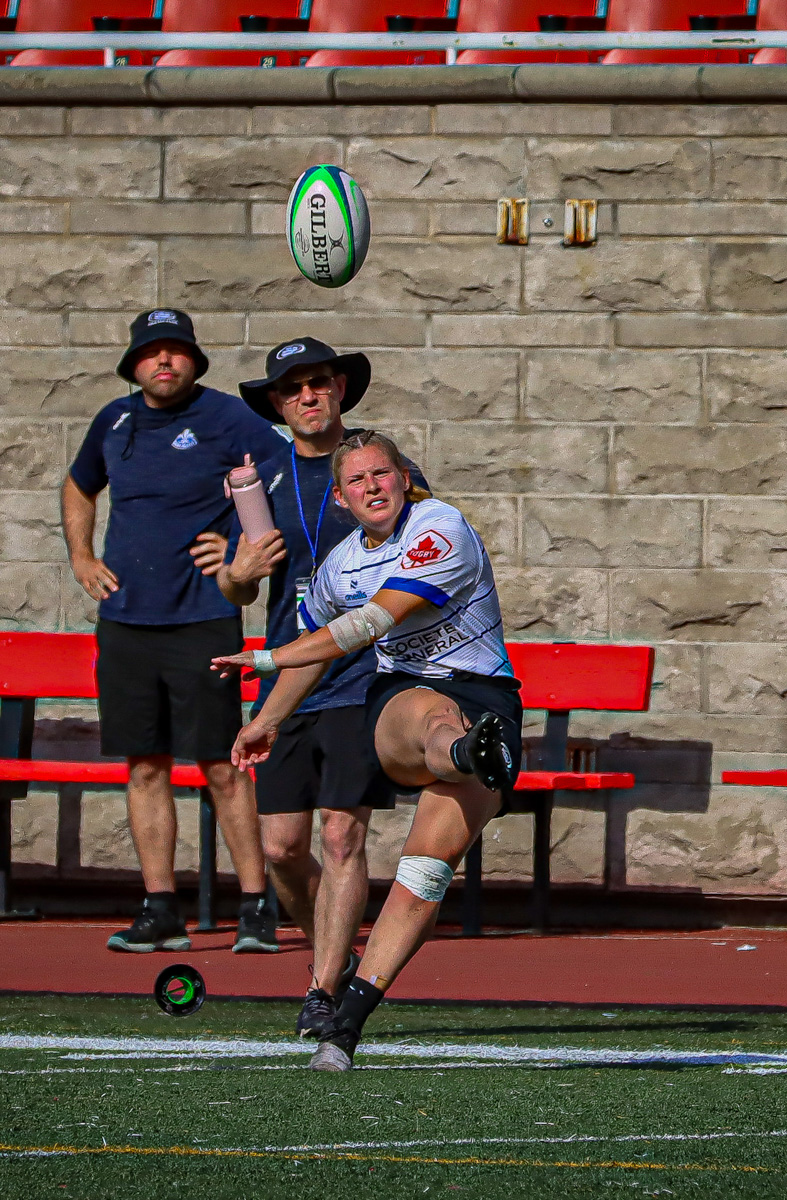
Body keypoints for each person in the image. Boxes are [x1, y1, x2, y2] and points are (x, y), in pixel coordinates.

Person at [211, 430, 518, 1072]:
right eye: (356, 480)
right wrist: (266, 718)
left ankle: (345, 1027)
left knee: (423, 877)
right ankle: (466, 752)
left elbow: (373, 620)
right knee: (432, 715)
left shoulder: (439, 526)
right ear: (341, 499)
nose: (372, 487)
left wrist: (266, 657)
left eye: (382, 474)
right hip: (404, 700)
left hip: (486, 696)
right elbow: (321, 648)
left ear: (404, 478)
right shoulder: (339, 564)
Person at [192, 337, 430, 1040]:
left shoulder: (378, 468)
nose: (308, 396)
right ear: (276, 402)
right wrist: (238, 573)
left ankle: (323, 990)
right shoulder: (258, 476)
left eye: (319, 382)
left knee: (340, 835)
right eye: (292, 388)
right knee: (281, 849)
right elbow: (237, 582)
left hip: (365, 673)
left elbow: (426, 549)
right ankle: (336, 949)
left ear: (339, 389)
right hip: (290, 675)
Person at [62, 308, 288, 954]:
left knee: (222, 765)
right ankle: (160, 909)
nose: (164, 361)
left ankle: (256, 907)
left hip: (202, 620)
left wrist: (241, 544)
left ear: (194, 360)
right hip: (126, 623)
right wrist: (81, 557)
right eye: (151, 351)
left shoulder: (226, 418)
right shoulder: (115, 420)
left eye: (176, 350)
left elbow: (283, 472)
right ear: (134, 363)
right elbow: (79, 487)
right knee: (144, 767)